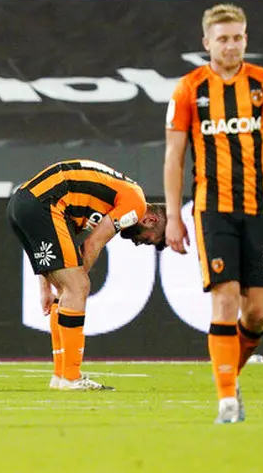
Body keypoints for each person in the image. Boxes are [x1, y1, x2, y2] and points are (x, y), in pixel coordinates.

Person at [163, 3, 263, 424]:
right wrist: (172, 214)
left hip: (257, 209)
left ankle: (229, 376)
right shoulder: (189, 89)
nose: (231, 45)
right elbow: (174, 155)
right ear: (206, 43)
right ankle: (226, 400)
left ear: (246, 39)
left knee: (257, 310)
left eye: (238, 37)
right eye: (223, 38)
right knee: (224, 298)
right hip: (211, 210)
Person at [9, 160, 169, 391]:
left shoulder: (93, 203)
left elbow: (56, 249)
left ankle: (61, 376)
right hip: (43, 204)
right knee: (77, 286)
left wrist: (48, 287)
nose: (139, 243)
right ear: (151, 220)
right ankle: (71, 378)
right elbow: (93, 243)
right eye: (150, 239)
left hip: (23, 204)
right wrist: (76, 287)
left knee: (70, 287)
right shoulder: (135, 205)